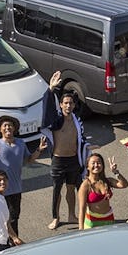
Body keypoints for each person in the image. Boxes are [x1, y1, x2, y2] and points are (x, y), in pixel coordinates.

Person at [42, 70, 91, 230]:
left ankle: (71, 214)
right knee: (57, 190)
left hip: (73, 160)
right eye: (66, 103)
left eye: (71, 103)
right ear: (61, 105)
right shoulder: (56, 120)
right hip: (58, 160)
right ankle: (56, 217)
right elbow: (46, 113)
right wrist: (50, 90)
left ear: (74, 105)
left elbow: (81, 140)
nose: (68, 105)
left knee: (72, 188)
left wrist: (89, 149)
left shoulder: (77, 121)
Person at [77, 151, 128, 228]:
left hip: (109, 219)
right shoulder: (85, 185)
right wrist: (81, 230)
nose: (96, 165)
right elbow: (82, 209)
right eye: (93, 163)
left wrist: (116, 172)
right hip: (92, 222)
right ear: (87, 167)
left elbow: (124, 184)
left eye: (99, 163)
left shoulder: (107, 181)